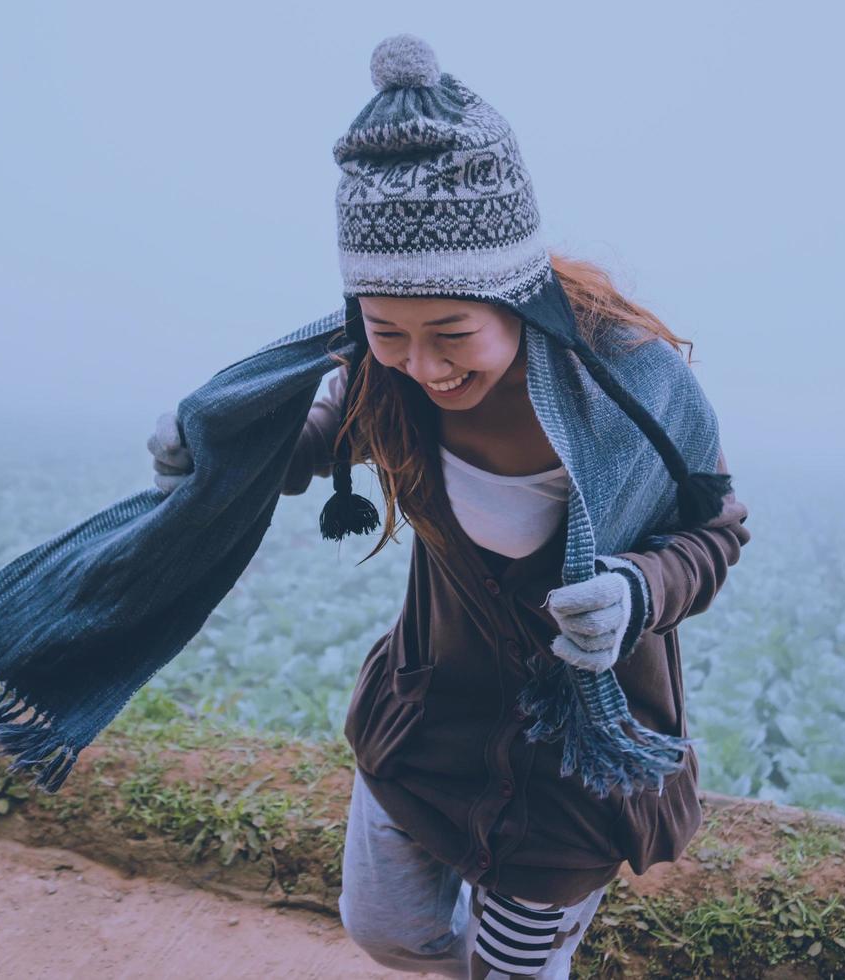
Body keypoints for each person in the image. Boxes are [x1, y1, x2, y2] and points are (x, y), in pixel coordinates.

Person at [148, 35, 749, 980]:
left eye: (452, 334)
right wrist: (223, 447)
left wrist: (637, 589)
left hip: (575, 755)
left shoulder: (631, 386)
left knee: (510, 970)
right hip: (430, 721)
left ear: (515, 297)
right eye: (386, 331)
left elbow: (714, 531)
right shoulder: (385, 383)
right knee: (387, 931)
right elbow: (313, 430)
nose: (426, 368)